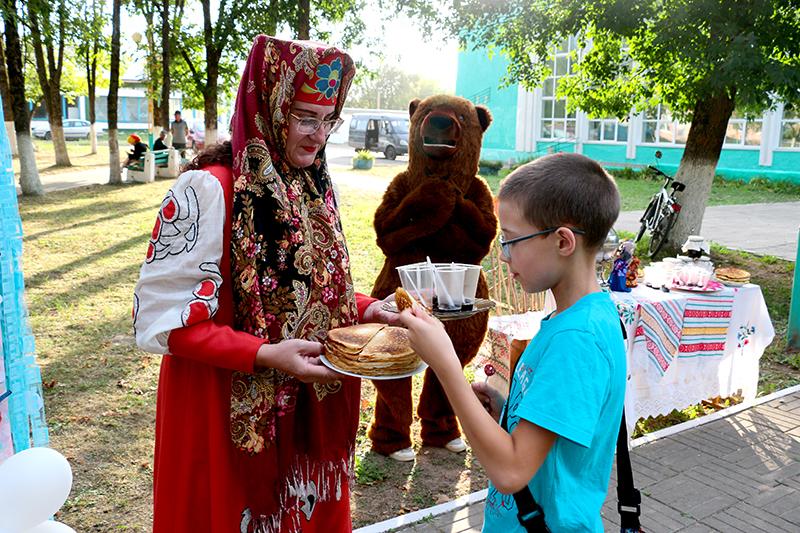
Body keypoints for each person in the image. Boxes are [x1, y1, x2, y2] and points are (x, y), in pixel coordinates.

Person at [133, 35, 397, 532]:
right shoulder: (209, 188)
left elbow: (314, 287)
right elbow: (164, 321)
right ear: (269, 106)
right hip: (221, 406)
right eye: (305, 118)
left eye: (329, 120)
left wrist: (366, 308)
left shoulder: (312, 183)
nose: (319, 136)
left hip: (307, 405)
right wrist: (264, 354)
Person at [400, 153, 627, 532]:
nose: (504, 257)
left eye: (511, 240)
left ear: (563, 241)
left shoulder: (577, 339)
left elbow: (511, 472)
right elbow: (554, 435)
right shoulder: (580, 318)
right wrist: (507, 413)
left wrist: (446, 365)